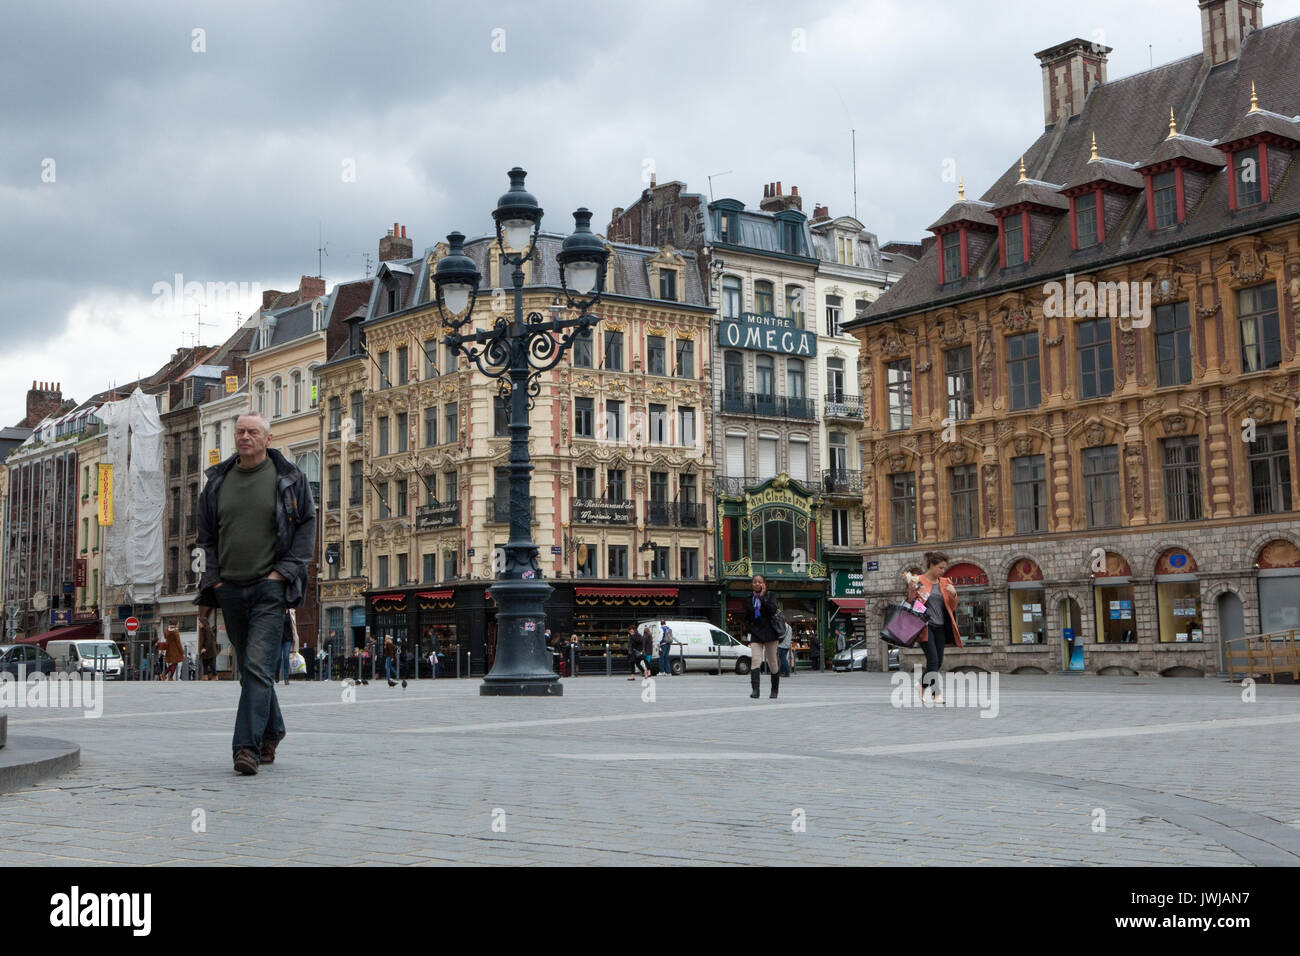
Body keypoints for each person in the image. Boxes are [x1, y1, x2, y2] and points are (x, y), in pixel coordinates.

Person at [194, 411, 316, 777]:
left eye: (253, 432)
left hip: (269, 588)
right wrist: (212, 582)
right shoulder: (217, 482)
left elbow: (307, 525)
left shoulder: (289, 479)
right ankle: (273, 730)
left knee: (259, 667)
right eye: (240, 431)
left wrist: (283, 572)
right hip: (229, 588)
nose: (245, 437)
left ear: (268, 438)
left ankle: (245, 749)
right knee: (251, 671)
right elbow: (204, 537)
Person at [905, 551, 963, 703]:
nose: (943, 571)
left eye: (944, 568)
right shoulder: (918, 580)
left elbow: (952, 606)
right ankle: (936, 694)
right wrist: (912, 590)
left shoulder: (945, 582)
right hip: (924, 626)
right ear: (931, 566)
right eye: (940, 568)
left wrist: (954, 594)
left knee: (939, 661)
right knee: (933, 660)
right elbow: (911, 602)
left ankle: (922, 686)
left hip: (941, 626)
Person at [744, 574, 782, 699]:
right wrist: (750, 628)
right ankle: (755, 690)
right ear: (752, 584)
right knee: (755, 661)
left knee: (772, 663)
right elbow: (747, 617)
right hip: (756, 634)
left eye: (760, 582)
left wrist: (762, 597)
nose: (757, 584)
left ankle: (774, 690)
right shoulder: (749, 598)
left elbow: (772, 610)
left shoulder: (770, 596)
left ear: (764, 584)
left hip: (770, 633)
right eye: (754, 582)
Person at [198, 614, 218, 680]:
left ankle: (215, 676)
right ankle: (205, 676)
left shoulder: (208, 630)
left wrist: (205, 648)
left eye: (200, 623)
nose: (199, 624)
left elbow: (209, 640)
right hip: (205, 649)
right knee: (205, 663)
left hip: (210, 649)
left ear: (203, 623)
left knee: (211, 663)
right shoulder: (203, 630)